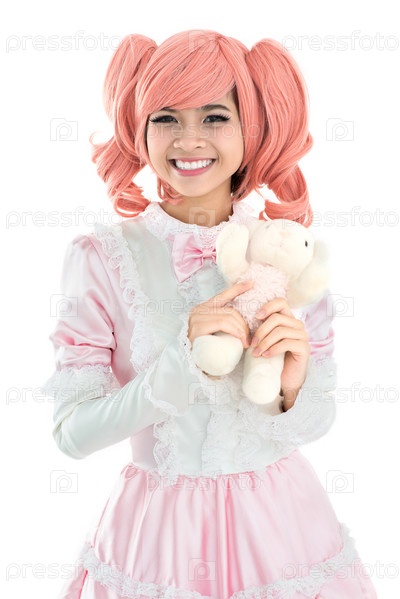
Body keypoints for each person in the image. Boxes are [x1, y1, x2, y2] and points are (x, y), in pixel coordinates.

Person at [44, 30, 377, 599]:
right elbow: (71, 435)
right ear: (140, 127)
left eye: (216, 117)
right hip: (158, 540)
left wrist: (291, 389)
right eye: (165, 118)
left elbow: (318, 421)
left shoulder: (289, 253)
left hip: (284, 530)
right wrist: (180, 366)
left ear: (253, 127)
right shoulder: (102, 257)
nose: (189, 139)